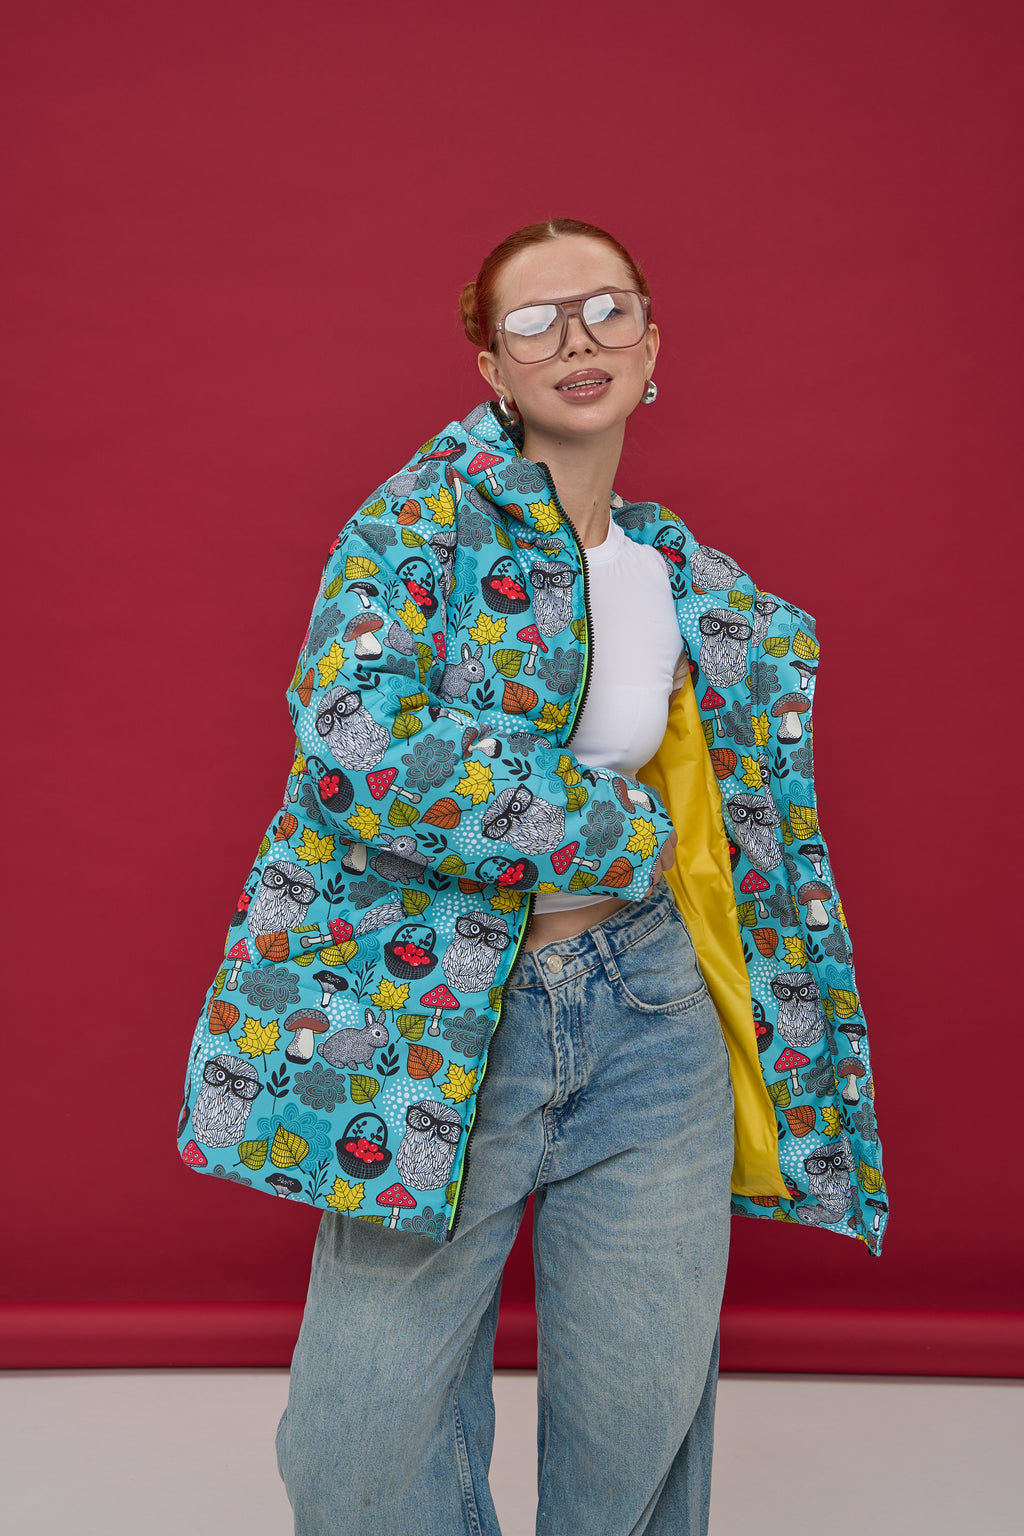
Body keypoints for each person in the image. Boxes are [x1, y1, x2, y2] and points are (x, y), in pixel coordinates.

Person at [177, 218, 886, 1535]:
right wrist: (612, 835)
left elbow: (747, 819)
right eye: (536, 320)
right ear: (491, 367)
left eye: (607, 310)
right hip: (443, 1020)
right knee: (360, 1444)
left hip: (648, 1016)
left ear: (653, 346)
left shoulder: (681, 577)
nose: (578, 339)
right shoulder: (417, 524)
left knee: (640, 1421)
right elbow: (359, 739)